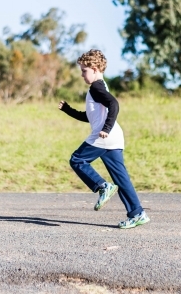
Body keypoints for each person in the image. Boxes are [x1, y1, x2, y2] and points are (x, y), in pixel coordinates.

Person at [58, 49, 149, 229]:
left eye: (84, 70)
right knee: (121, 179)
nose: (82, 75)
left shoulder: (96, 87)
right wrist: (68, 110)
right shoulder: (100, 87)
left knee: (77, 159)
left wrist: (105, 129)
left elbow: (114, 104)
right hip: (114, 137)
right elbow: (90, 117)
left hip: (104, 136)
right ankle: (138, 213)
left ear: (94, 68)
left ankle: (102, 186)